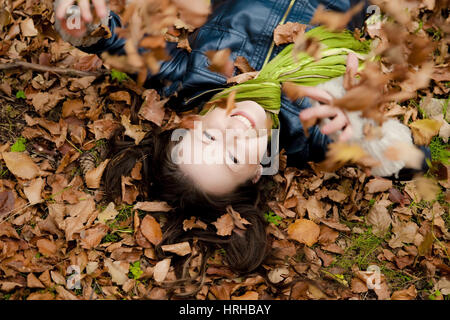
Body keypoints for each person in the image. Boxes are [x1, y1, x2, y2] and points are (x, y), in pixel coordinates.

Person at [53, 0, 431, 277]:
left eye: (210, 139)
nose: (232, 133)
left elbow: (128, 49)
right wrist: (370, 130)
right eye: (233, 158)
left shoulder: (196, 82)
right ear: (255, 172)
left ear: (194, 124)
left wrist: (84, 26)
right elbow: (412, 162)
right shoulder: (308, 132)